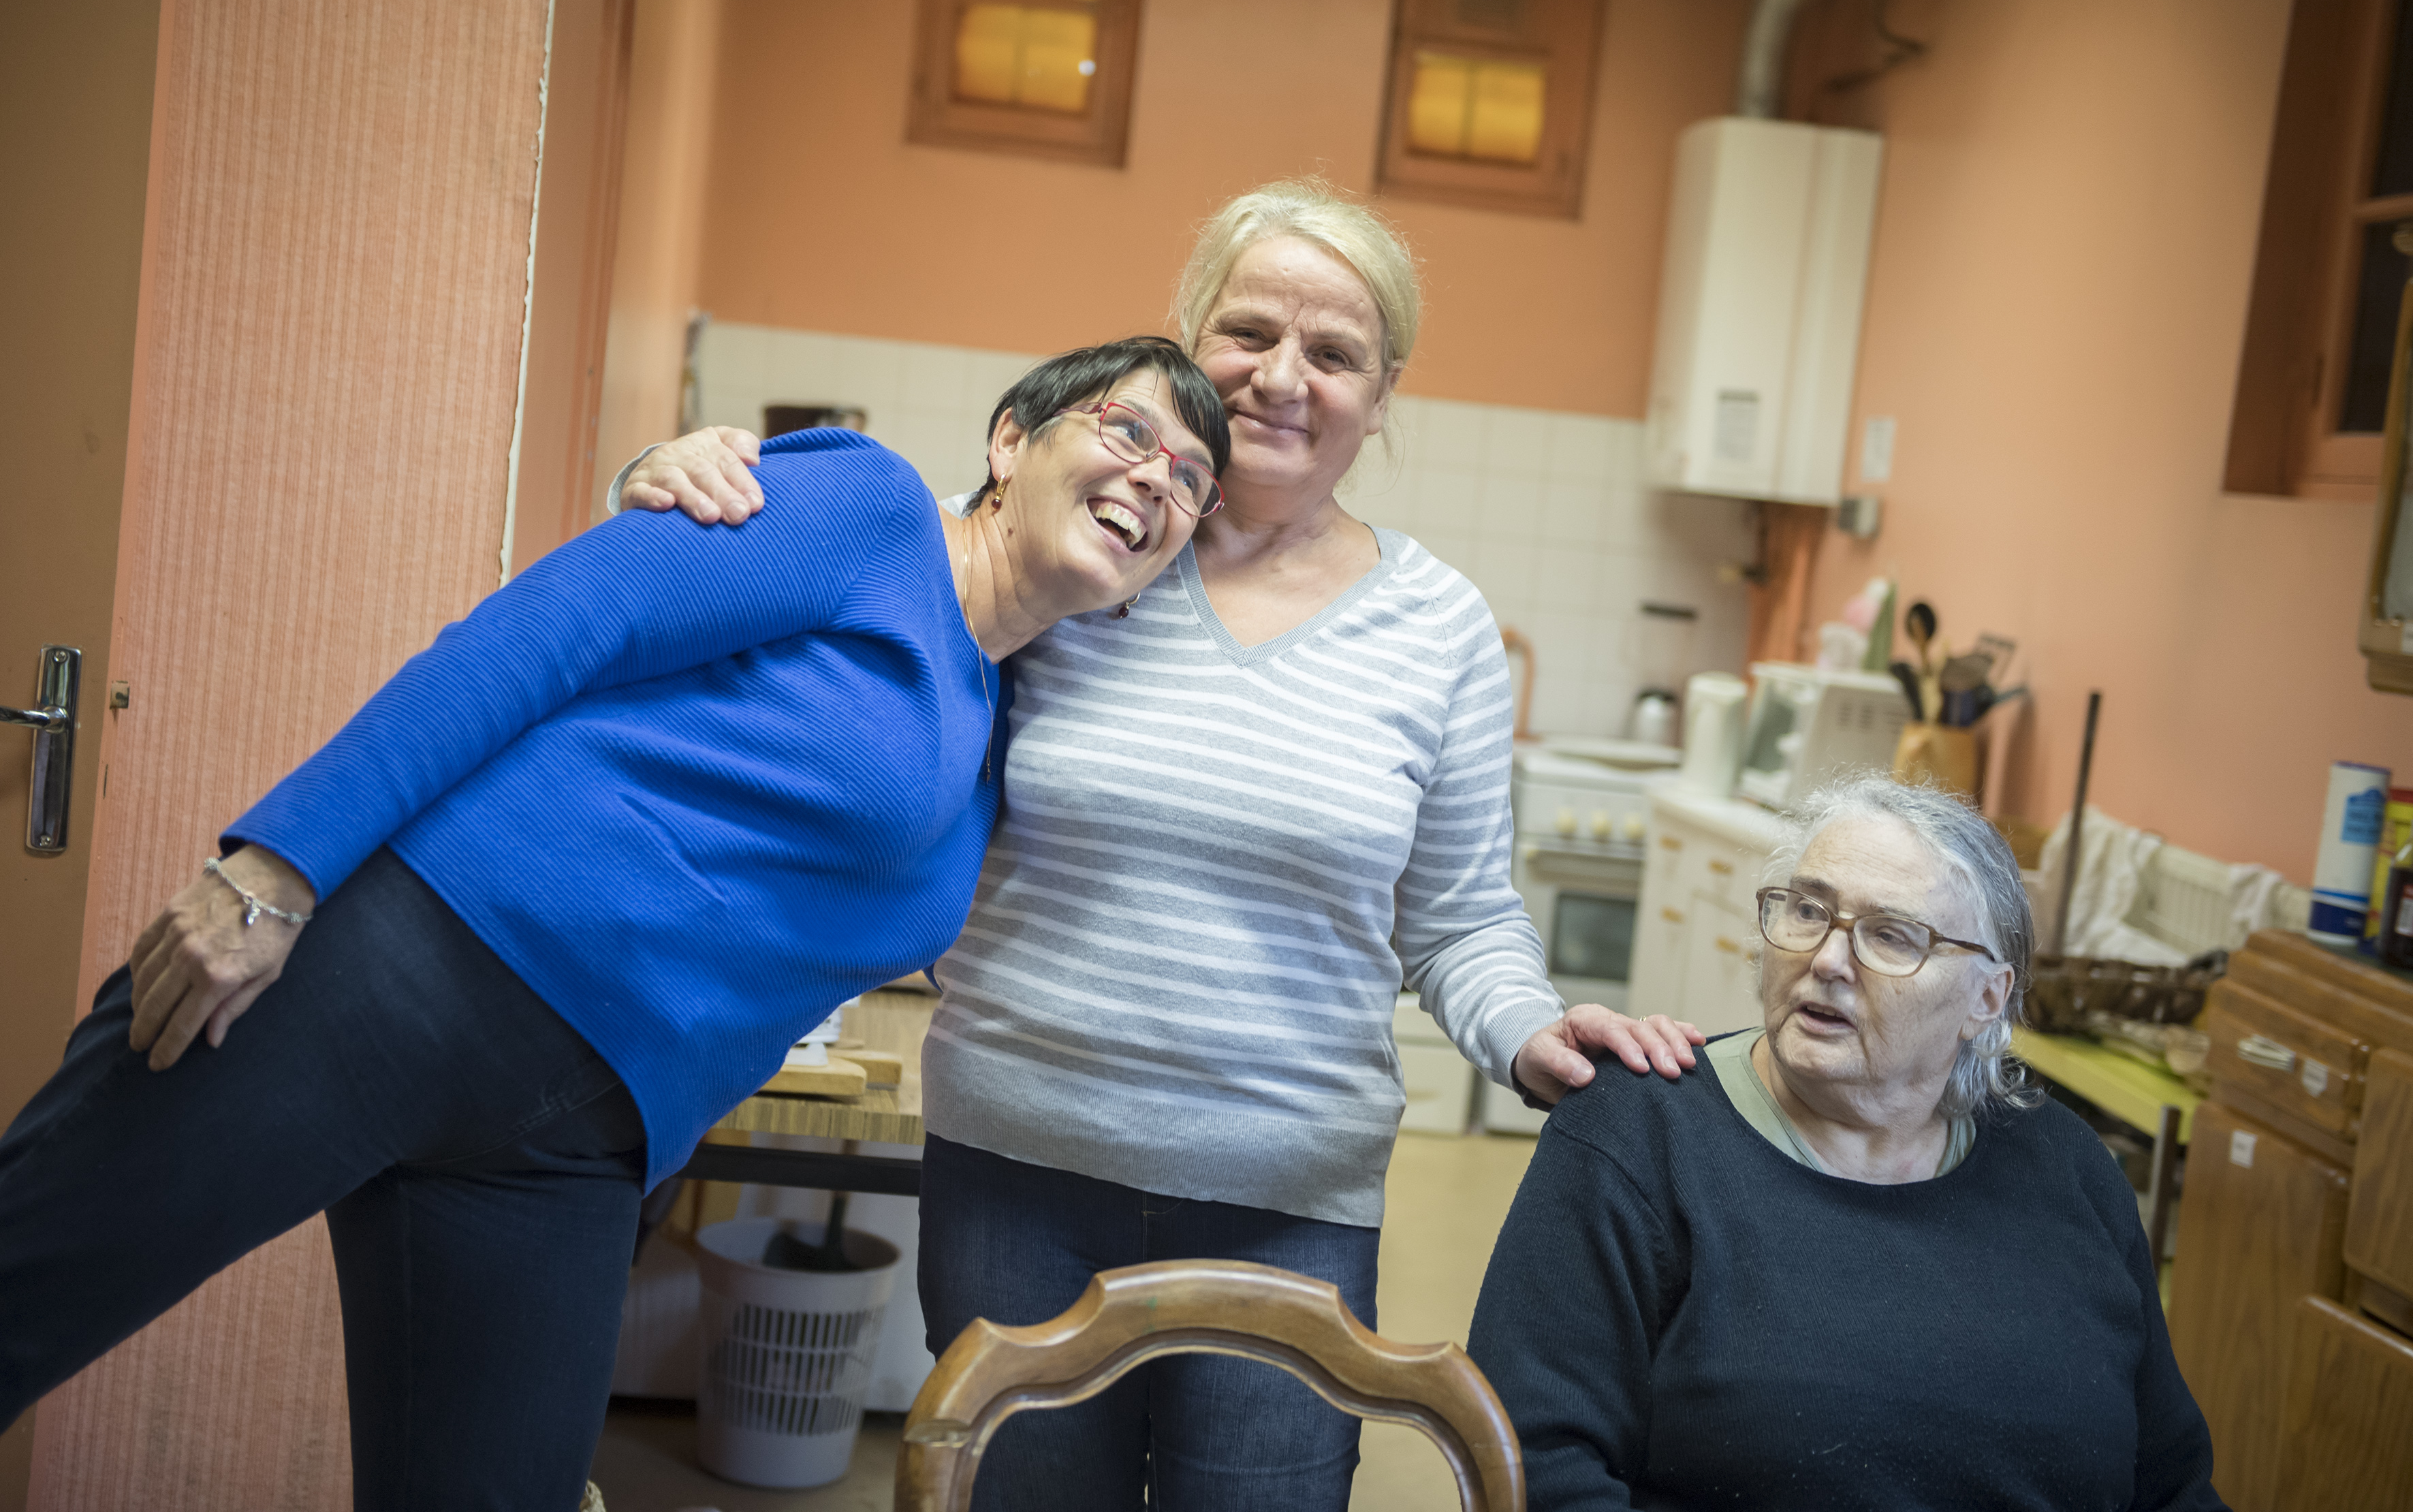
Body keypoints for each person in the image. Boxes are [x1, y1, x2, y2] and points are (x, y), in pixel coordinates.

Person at [617, 178, 1705, 1511]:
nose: (1282, 377)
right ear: (1185, 338)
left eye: (1334, 351)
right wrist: (673, 486)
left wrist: (1527, 1032)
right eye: (1247, 332)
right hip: (1015, 1167)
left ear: (1384, 391)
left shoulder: (1442, 629)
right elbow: (837, 620)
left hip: (1288, 1203)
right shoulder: (1080, 540)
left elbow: (1462, 918)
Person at [0, 338, 1227, 1512]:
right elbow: (552, 627)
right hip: (400, 973)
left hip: (569, 1152)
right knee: (29, 1287)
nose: (1152, 477)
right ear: (1010, 440)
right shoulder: (873, 511)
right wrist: (277, 863)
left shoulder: (995, 731)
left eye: (1189, 479)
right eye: (1127, 428)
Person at [1466, 773, 2225, 1511]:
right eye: (1806, 911)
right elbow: (1537, 1460)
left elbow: (2170, 1481)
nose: (1827, 960)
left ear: (1987, 997)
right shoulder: (1636, 1134)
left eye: (1892, 936)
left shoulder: (2069, 1168)